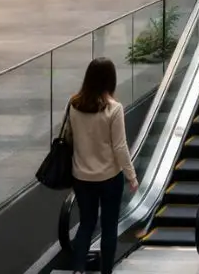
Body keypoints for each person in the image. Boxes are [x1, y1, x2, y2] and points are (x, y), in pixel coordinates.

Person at [66, 57, 138, 274]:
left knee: (86, 224)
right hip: (109, 177)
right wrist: (131, 176)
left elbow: (69, 137)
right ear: (110, 80)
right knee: (109, 226)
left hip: (81, 177)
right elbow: (120, 147)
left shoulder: (74, 105)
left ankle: (78, 269)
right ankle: (106, 271)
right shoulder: (114, 109)